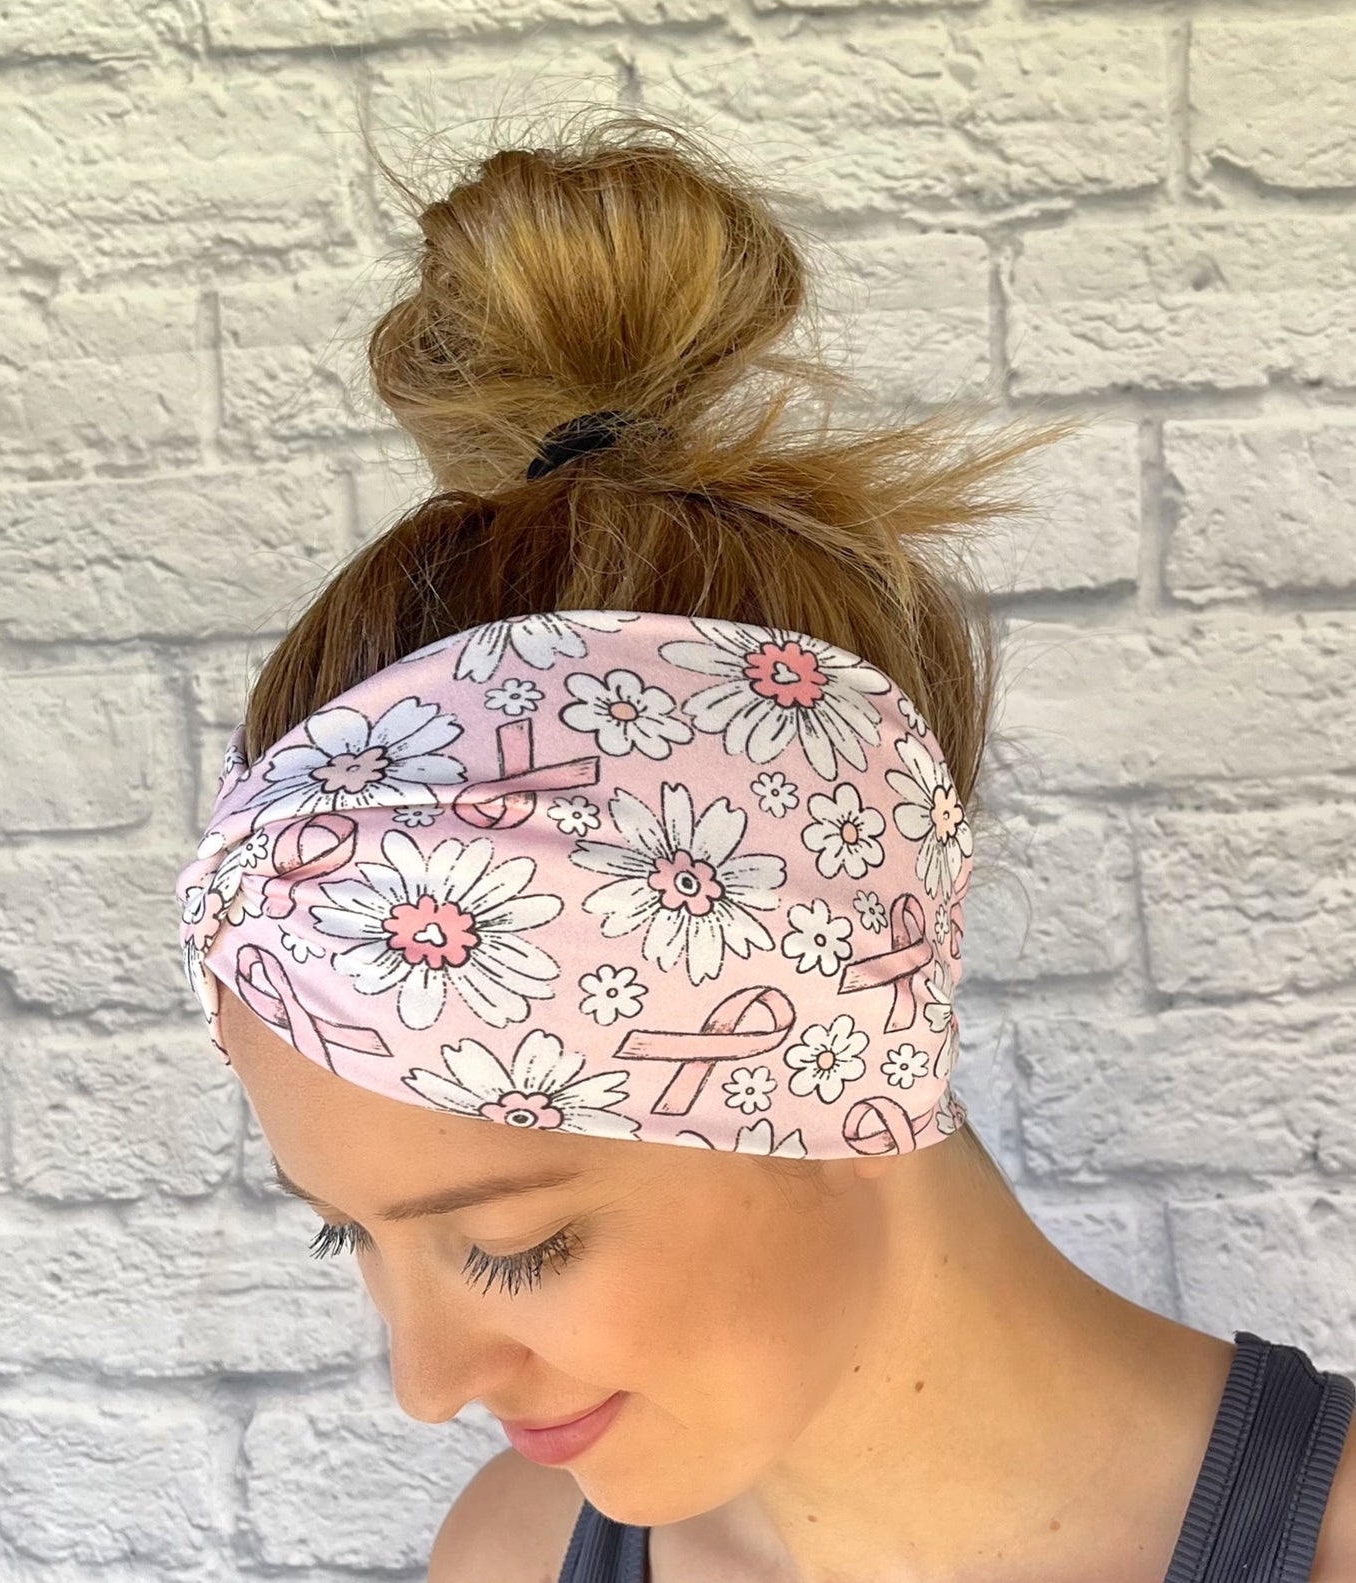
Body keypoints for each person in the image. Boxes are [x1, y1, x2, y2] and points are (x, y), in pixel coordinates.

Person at [176, 109, 1355, 1583]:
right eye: (341, 1235)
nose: (425, 1385)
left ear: (844, 1056)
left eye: (512, 1246)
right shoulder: (509, 1556)